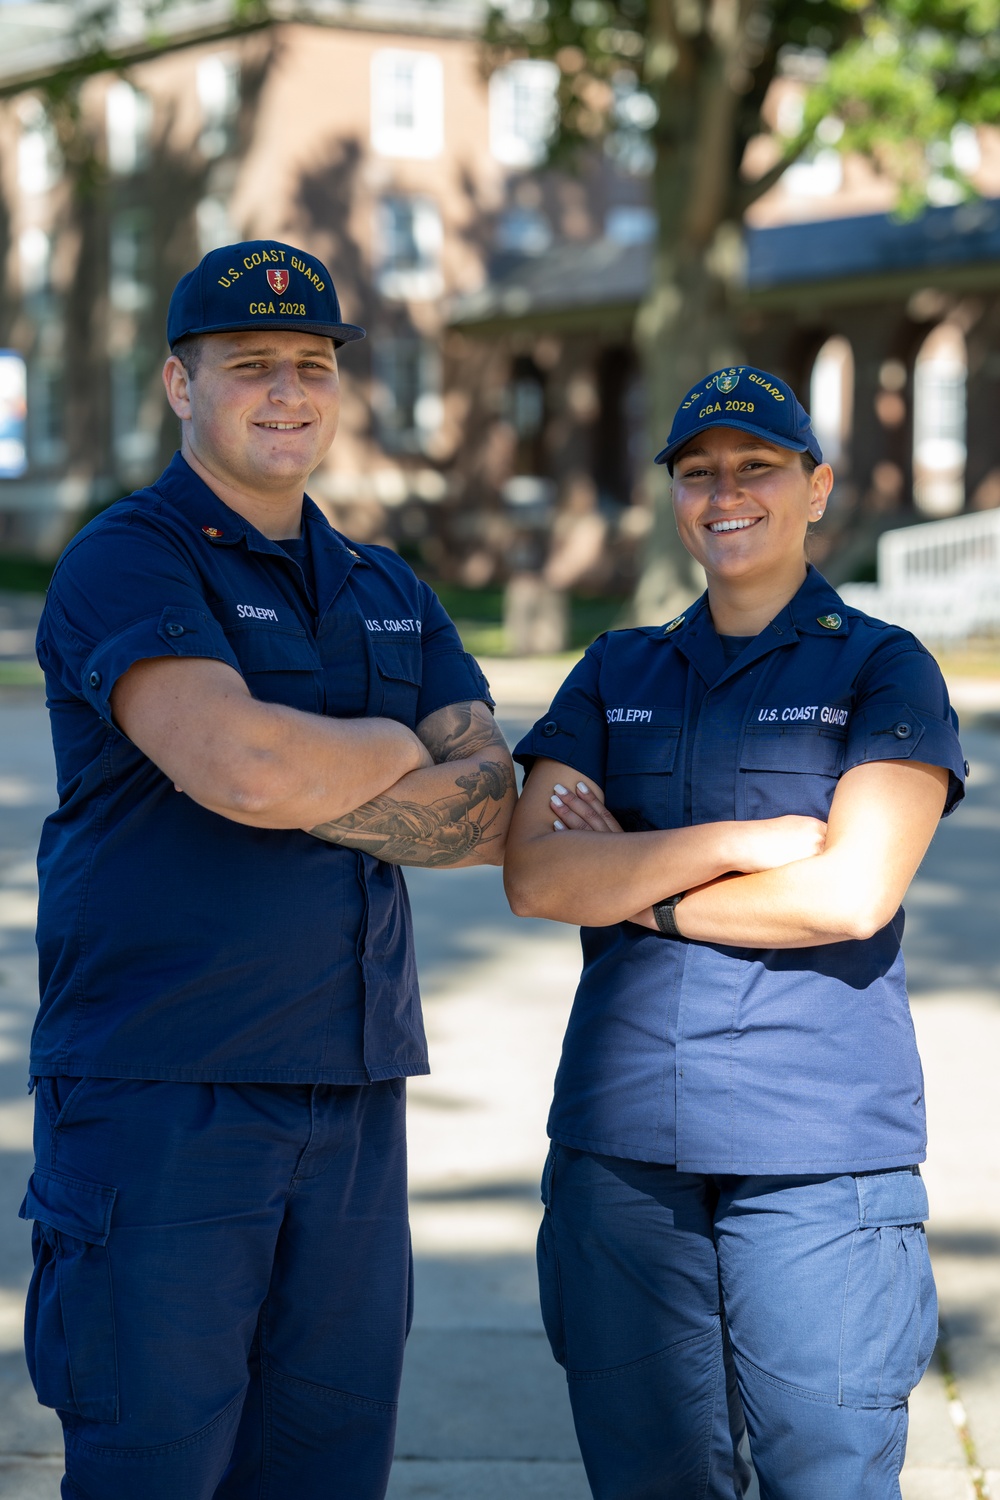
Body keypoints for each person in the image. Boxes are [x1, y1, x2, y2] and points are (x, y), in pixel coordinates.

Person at [21, 239, 516, 1500]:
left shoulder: (381, 583)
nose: (288, 391)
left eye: (312, 364)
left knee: (324, 1470)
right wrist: (396, 746)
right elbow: (241, 767)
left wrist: (310, 775)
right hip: (162, 1094)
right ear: (182, 384)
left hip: (350, 1097)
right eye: (250, 366)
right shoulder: (128, 558)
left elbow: (488, 812)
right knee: (154, 1468)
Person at [503, 365, 967, 1500]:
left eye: (756, 467)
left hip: (814, 1153)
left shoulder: (881, 668)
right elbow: (536, 872)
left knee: (828, 1478)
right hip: (623, 1154)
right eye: (697, 473)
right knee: (649, 1478)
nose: (725, 494)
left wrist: (642, 886)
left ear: (815, 488)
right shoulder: (617, 670)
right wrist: (738, 841)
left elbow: (847, 896)